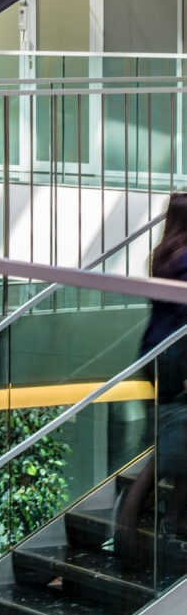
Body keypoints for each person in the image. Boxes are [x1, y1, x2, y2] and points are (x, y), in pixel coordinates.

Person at [116, 193, 187, 554]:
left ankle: (173, 521)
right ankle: (131, 518)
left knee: (175, 430)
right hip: (179, 354)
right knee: (176, 434)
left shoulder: (162, 254)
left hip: (154, 349)